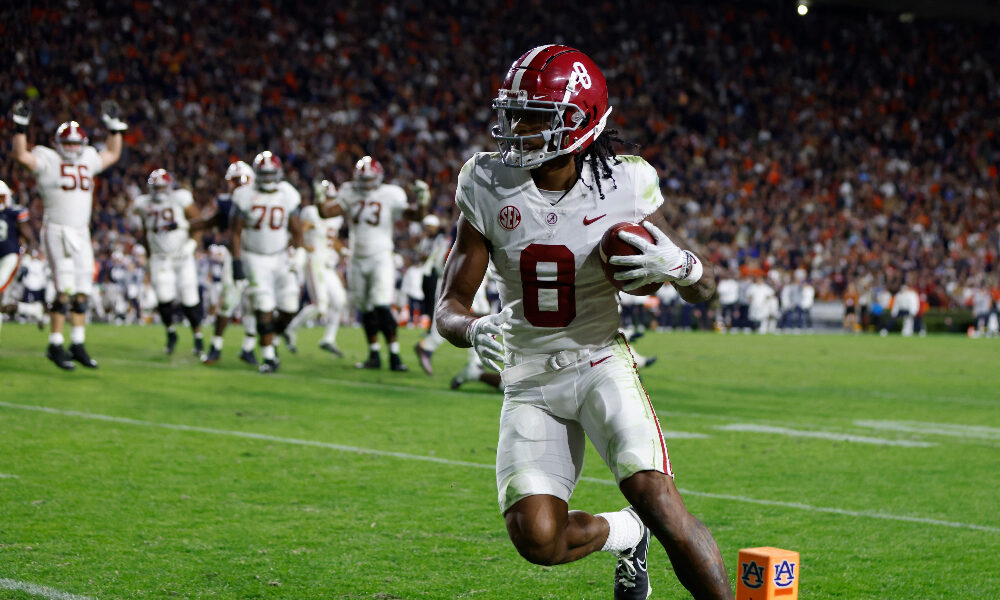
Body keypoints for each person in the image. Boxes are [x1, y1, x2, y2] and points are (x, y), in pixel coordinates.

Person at [434, 45, 733, 600]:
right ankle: (626, 533)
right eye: (513, 112)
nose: (515, 127)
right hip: (528, 376)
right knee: (538, 540)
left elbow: (705, 291)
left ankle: (650, 526)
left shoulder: (625, 184)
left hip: (599, 360)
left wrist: (682, 267)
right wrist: (472, 328)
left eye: (534, 116)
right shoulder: (485, 181)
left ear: (579, 121)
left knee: (658, 497)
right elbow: (449, 305)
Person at [11, 100, 126, 370]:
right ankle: (54, 343)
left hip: (81, 232)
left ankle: (77, 343)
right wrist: (20, 127)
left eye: (77, 143)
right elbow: (21, 156)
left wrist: (114, 127)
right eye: (69, 143)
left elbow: (112, 153)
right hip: (57, 230)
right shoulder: (48, 159)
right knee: (64, 289)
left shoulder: (88, 159)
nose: (73, 148)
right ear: (59, 143)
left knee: (83, 290)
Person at [327, 156, 428, 371]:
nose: (366, 184)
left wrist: (422, 201)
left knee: (382, 305)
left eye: (370, 179)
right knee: (366, 309)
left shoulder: (390, 194)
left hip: (380, 256)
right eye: (363, 179)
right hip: (356, 258)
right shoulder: (349, 191)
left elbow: (416, 216)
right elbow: (326, 212)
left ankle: (394, 355)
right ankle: (374, 354)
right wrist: (319, 199)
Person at [230, 151, 304, 374]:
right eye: (264, 174)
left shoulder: (287, 194)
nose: (268, 178)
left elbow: (297, 228)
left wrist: (299, 253)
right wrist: (237, 262)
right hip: (254, 256)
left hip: (281, 255)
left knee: (290, 307)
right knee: (263, 306)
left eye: (272, 174)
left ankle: (272, 339)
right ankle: (269, 357)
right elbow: (235, 232)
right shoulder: (244, 195)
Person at [132, 169, 207, 356]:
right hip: (159, 257)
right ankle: (171, 333)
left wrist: (192, 244)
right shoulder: (143, 204)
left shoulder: (180, 199)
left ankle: (198, 337)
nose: (158, 191)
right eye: (155, 188)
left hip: (182, 256)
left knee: (190, 298)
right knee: (164, 298)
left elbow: (198, 222)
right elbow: (146, 232)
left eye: (161, 187)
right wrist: (149, 258)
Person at [202, 161, 259, 365]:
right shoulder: (228, 201)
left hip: (258, 257)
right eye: (233, 181)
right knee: (228, 301)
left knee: (255, 303)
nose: (236, 185)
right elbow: (212, 221)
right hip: (235, 255)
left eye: (240, 180)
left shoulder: (261, 199)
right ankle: (216, 346)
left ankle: (249, 348)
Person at [283, 179, 348, 357]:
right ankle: (290, 330)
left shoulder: (335, 217)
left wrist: (343, 250)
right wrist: (303, 245)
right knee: (320, 305)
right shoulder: (311, 212)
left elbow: (331, 238)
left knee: (340, 300)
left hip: (328, 263)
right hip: (314, 261)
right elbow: (299, 230)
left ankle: (328, 338)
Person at [0, 179, 38, 338]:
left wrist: (30, 252)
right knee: (2, 302)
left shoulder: (13, 212)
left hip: (9, 257)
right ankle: (32, 309)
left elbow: (28, 235)